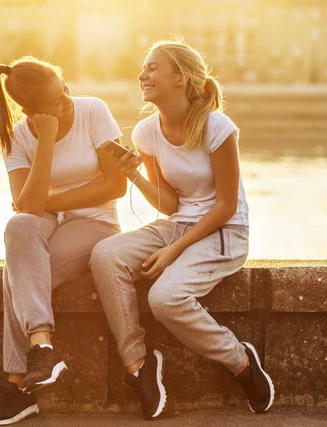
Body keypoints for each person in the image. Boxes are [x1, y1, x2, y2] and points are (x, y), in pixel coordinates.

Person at [89, 40, 275, 420]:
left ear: (181, 78)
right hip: (179, 223)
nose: (143, 75)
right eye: (143, 68)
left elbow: (225, 205)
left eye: (153, 67)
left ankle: (240, 361)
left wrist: (175, 250)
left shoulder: (216, 126)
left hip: (225, 231)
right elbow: (171, 204)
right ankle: (139, 366)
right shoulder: (146, 132)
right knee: (105, 254)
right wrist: (134, 175)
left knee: (165, 298)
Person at [0, 56, 127, 425]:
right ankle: (43, 347)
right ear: (31, 111)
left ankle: (16, 387)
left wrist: (50, 201)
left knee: (16, 275)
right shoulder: (18, 135)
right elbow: (26, 209)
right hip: (43, 225)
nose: (68, 100)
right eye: (57, 100)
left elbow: (115, 184)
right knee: (17, 229)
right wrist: (45, 139)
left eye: (65, 88)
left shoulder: (93, 111)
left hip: (94, 223)